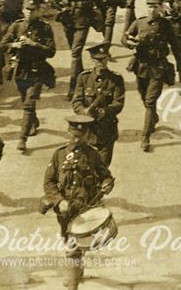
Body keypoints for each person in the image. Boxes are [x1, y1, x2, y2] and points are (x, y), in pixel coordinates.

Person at [41, 114, 110, 290]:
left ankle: (72, 283)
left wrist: (106, 184)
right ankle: (76, 270)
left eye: (80, 136)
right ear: (68, 133)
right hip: (64, 210)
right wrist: (59, 200)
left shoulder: (93, 155)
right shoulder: (59, 154)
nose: (76, 140)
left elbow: (106, 176)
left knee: (73, 247)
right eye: (73, 136)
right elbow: (48, 182)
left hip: (85, 208)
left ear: (87, 135)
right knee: (68, 240)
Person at [125, 0, 181, 151]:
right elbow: (125, 37)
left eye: (155, 6)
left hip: (158, 68)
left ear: (161, 7)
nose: (152, 9)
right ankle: (153, 118)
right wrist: (130, 42)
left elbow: (177, 48)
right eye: (149, 6)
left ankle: (145, 137)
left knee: (150, 102)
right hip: (141, 66)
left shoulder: (166, 25)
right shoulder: (139, 22)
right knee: (144, 97)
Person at [0, 0, 56, 151]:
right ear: (22, 10)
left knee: (28, 105)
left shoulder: (45, 28)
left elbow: (51, 51)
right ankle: (33, 122)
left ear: (38, 11)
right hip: (20, 71)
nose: (29, 13)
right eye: (27, 10)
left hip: (37, 70)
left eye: (33, 10)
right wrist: (15, 44)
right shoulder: (16, 26)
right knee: (25, 100)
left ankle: (22, 139)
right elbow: (2, 46)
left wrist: (35, 44)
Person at [71, 42, 125, 194]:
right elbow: (76, 101)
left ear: (108, 59)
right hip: (86, 133)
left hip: (105, 133)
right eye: (98, 60)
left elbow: (119, 103)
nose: (101, 63)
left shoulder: (116, 79)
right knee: (82, 168)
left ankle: (93, 198)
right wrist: (84, 112)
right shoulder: (84, 77)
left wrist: (105, 112)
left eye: (104, 59)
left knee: (101, 169)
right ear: (92, 60)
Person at [49, 0, 103, 99]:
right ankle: (83, 80)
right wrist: (59, 6)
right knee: (75, 53)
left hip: (83, 20)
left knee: (75, 53)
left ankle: (73, 88)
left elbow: (100, 0)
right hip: (68, 19)